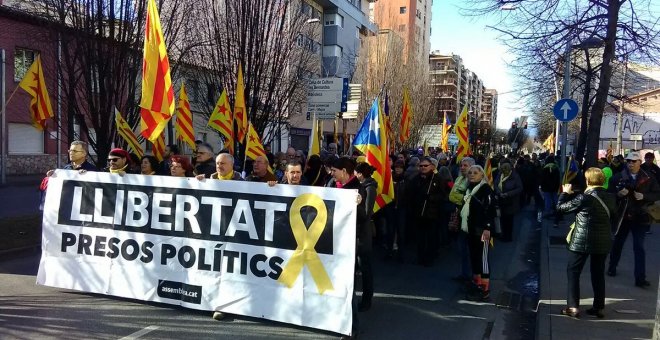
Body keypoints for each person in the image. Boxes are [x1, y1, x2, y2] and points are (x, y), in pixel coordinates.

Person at [556, 167, 616, 318]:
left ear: (588, 180)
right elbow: (614, 217)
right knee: (598, 273)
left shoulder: (584, 198)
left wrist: (564, 193)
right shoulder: (610, 197)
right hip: (602, 241)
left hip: (581, 241)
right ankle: (598, 307)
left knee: (573, 272)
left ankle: (573, 307)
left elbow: (560, 208)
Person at [607, 151, 660, 288]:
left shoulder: (649, 177)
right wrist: (618, 194)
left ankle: (640, 278)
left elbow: (657, 194)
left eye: (633, 161)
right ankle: (612, 267)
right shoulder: (618, 177)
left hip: (640, 216)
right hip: (623, 216)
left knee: (639, 247)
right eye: (628, 161)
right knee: (618, 243)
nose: (630, 163)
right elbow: (609, 195)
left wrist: (644, 196)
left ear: (639, 163)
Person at [328, 157, 367, 339]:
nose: (331, 173)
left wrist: (358, 205)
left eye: (334, 170)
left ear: (344, 171)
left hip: (348, 245)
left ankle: (351, 327)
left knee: (346, 287)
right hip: (331, 242)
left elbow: (363, 217)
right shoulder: (332, 185)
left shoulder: (358, 190)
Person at [461, 165, 496, 301]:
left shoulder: (486, 189)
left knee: (483, 259)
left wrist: (487, 228)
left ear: (482, 175)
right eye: (470, 173)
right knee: (474, 257)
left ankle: (485, 288)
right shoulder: (469, 188)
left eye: (475, 173)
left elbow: (490, 210)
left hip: (483, 230)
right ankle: (477, 283)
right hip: (471, 229)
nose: (472, 175)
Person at [410, 156, 445, 267]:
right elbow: (410, 194)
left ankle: (430, 257)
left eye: (425, 165)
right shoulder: (416, 179)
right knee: (420, 238)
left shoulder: (437, 179)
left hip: (432, 214)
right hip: (419, 213)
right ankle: (420, 257)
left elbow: (443, 195)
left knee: (431, 237)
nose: (423, 167)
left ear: (431, 166)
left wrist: (431, 198)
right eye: (421, 166)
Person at [354, 162, 377, 312]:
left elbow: (367, 212)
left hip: (364, 233)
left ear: (360, 174)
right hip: (356, 233)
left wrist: (357, 204)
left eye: (355, 172)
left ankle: (367, 299)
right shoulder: (361, 186)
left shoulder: (370, 188)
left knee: (365, 267)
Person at [449, 157, 476, 281]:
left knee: (469, 249)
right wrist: (459, 197)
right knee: (461, 247)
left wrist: (459, 197)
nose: (462, 167)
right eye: (461, 165)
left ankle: (471, 276)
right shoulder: (459, 178)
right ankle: (464, 273)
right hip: (458, 213)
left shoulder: (473, 181)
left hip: (469, 217)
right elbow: (452, 195)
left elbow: (468, 198)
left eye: (465, 165)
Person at [494, 161, 523, 242]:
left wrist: (508, 194)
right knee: (502, 219)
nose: (504, 172)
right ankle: (503, 234)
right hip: (501, 200)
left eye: (506, 171)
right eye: (503, 171)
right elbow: (496, 184)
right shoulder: (500, 174)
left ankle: (508, 236)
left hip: (511, 202)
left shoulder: (515, 176)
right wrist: (499, 193)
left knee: (509, 220)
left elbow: (519, 188)